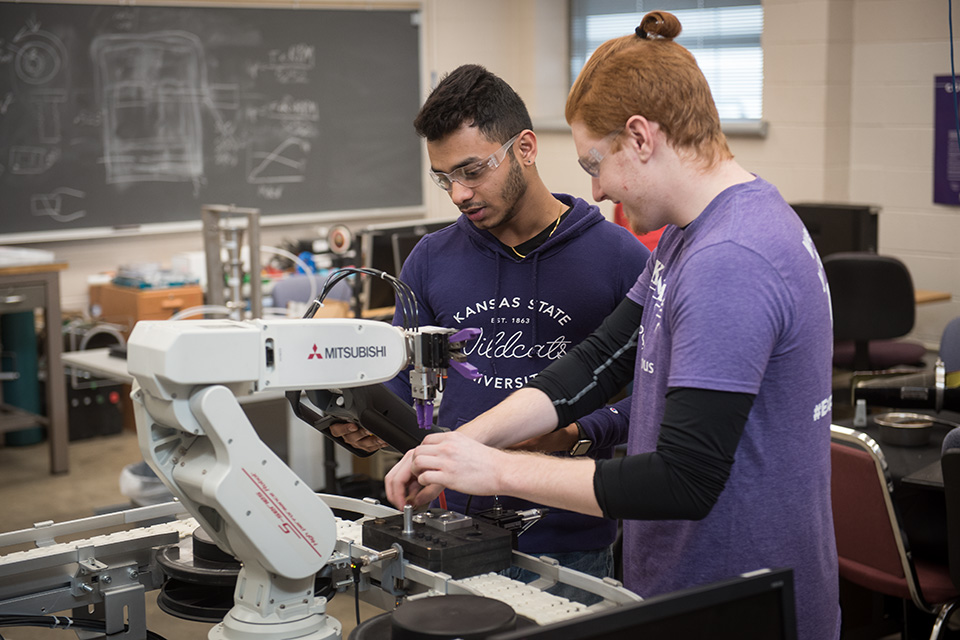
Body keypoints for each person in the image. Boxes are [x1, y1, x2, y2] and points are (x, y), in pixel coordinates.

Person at [384, 13, 839, 640]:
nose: (594, 191)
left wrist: (494, 472)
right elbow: (601, 359)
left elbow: (682, 479)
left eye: (595, 163)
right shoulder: (691, 234)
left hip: (742, 599)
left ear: (640, 137)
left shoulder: (730, 258)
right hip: (689, 587)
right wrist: (460, 445)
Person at [332, 64, 650, 596]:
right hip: (448, 530)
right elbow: (401, 380)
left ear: (525, 148)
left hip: (570, 537)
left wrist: (576, 434)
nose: (457, 194)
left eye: (473, 171)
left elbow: (653, 401)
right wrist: (369, 423)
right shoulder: (431, 260)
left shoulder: (619, 258)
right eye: (444, 178)